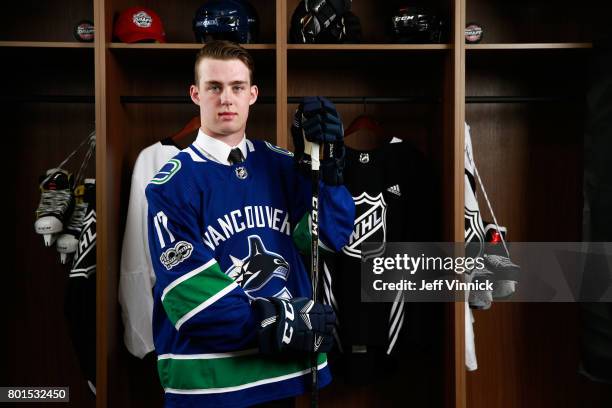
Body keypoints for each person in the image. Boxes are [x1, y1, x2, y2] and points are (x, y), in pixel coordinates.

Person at [145, 40, 355, 407]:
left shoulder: (282, 165)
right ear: (195, 94)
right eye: (214, 87)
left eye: (237, 87)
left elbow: (329, 238)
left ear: (252, 94)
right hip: (211, 382)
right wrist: (283, 322)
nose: (226, 98)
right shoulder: (172, 186)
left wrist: (330, 176)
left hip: (282, 374)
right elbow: (192, 302)